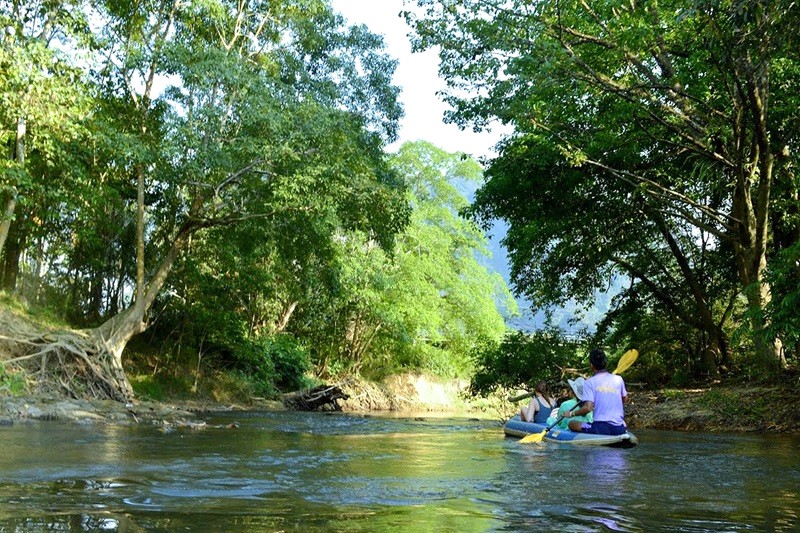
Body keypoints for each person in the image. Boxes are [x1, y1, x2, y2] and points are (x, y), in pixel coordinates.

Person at [567, 348, 628, 435]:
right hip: (619, 427)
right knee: (622, 424)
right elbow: (625, 399)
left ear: (591, 365)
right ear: (605, 363)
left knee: (572, 424)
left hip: (601, 428)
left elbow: (588, 408)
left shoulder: (589, 382)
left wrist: (571, 413)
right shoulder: (618, 379)